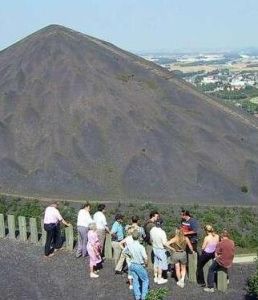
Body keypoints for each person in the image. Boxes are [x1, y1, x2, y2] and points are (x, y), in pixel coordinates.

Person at [124, 230, 149, 300]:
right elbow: (145, 258)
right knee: (145, 280)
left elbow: (125, 252)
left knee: (135, 281)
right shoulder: (141, 247)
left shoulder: (129, 245)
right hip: (139, 265)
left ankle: (137, 297)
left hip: (132, 264)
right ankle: (144, 297)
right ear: (139, 237)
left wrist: (131, 257)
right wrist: (145, 264)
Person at [150, 220, 168, 284]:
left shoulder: (152, 230)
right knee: (160, 264)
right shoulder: (162, 232)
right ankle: (159, 278)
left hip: (154, 248)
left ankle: (155, 277)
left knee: (155, 263)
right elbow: (164, 243)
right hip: (161, 249)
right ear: (161, 224)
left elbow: (151, 239)